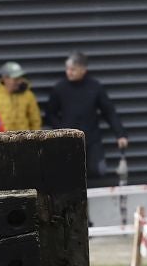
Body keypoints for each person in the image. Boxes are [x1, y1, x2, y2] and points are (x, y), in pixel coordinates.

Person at [43, 51, 127, 183]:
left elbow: (109, 111)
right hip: (68, 141)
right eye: (67, 69)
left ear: (83, 70)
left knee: (98, 170)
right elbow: (49, 114)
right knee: (70, 175)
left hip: (92, 140)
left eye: (73, 69)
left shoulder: (94, 87)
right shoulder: (60, 88)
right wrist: (62, 129)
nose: (69, 72)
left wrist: (120, 134)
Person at [0, 61, 42, 132]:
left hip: (24, 139)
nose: (19, 82)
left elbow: (35, 120)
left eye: (20, 78)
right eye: (16, 79)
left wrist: (36, 139)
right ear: (5, 78)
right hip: (0, 139)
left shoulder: (28, 95)